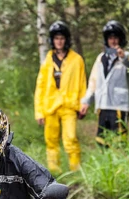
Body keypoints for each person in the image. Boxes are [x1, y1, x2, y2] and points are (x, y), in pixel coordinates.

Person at [34, 21, 87, 173]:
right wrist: (39, 112)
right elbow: (40, 87)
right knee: (51, 141)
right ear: (52, 40)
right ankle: (54, 171)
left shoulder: (77, 60)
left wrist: (83, 103)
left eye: (62, 38)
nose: (59, 41)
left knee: (70, 139)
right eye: (56, 38)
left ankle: (75, 171)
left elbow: (82, 83)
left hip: (69, 106)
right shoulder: (47, 61)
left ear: (66, 39)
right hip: (50, 106)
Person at [80, 20, 129, 147]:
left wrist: (123, 57)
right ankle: (106, 164)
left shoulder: (127, 57)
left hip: (119, 106)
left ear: (121, 39)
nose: (113, 41)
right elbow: (93, 82)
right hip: (103, 106)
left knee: (119, 142)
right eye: (110, 38)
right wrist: (86, 101)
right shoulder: (101, 58)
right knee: (102, 141)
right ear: (106, 40)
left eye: (116, 38)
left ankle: (121, 166)